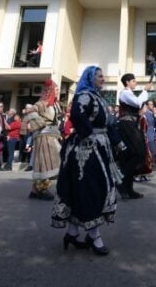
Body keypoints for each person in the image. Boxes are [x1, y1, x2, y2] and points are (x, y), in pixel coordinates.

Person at [51, 66, 122, 256]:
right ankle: (94, 237)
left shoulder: (99, 97)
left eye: (103, 76)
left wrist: (119, 143)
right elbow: (77, 115)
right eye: (99, 76)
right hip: (85, 151)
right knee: (90, 190)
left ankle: (72, 233)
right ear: (90, 77)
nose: (103, 79)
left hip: (100, 149)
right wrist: (88, 134)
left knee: (91, 189)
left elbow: (108, 124)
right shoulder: (84, 95)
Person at [116, 73, 152, 198]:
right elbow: (137, 102)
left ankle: (127, 188)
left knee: (131, 156)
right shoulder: (125, 93)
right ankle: (121, 181)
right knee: (138, 154)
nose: (135, 82)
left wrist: (140, 113)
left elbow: (136, 109)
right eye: (133, 80)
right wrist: (145, 91)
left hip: (131, 125)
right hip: (127, 126)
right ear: (127, 82)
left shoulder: (129, 94)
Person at [28, 79, 63, 200]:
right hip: (44, 135)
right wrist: (40, 123)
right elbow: (31, 111)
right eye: (57, 90)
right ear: (51, 90)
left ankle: (34, 190)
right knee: (46, 162)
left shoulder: (54, 104)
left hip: (52, 135)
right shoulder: (42, 103)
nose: (58, 92)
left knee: (44, 162)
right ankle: (42, 189)